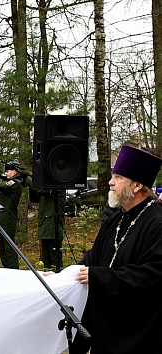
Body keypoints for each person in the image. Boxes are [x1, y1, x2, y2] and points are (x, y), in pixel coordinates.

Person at [69, 145, 162, 353]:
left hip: (139, 334)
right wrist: (63, 276)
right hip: (108, 328)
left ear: (137, 185)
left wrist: (100, 277)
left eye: (119, 177)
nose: (111, 182)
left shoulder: (157, 223)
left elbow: (153, 276)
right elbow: (91, 260)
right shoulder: (116, 219)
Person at [26, 177, 65, 271]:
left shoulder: (58, 184)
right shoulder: (46, 185)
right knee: (46, 257)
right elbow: (35, 196)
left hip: (52, 223)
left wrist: (28, 179)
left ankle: (56, 274)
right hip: (44, 222)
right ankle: (47, 272)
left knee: (55, 258)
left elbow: (41, 190)